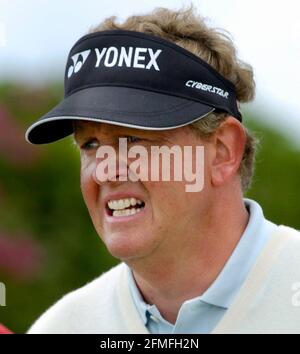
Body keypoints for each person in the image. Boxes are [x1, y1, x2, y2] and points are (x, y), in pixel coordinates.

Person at [25, 7, 300, 334]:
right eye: (90, 144)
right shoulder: (62, 328)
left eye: (134, 139)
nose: (104, 172)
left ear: (222, 152)